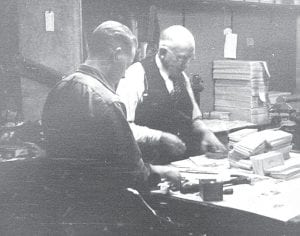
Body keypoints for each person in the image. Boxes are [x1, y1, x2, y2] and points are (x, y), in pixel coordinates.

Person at [42, 21, 181, 235]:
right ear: (117, 54)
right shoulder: (106, 100)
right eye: (127, 64)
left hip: (66, 214)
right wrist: (162, 171)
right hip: (105, 218)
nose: (124, 74)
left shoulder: (59, 89)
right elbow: (133, 173)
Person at [117, 25, 226, 164]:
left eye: (189, 58)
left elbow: (193, 118)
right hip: (152, 166)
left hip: (183, 164)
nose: (186, 65)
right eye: (181, 58)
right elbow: (124, 129)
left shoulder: (181, 77)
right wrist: (160, 137)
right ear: (163, 52)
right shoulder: (136, 75)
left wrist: (205, 132)